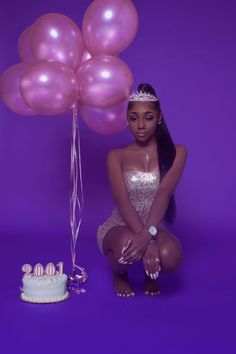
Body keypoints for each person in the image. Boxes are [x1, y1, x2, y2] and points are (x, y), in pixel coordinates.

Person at [96, 83, 187, 297]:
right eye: (134, 118)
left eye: (148, 117)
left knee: (171, 255)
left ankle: (150, 273)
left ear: (159, 118)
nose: (141, 125)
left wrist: (149, 236)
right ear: (127, 120)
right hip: (121, 223)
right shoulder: (116, 156)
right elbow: (122, 201)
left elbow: (163, 194)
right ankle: (119, 273)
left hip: (155, 224)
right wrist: (146, 241)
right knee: (126, 248)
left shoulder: (178, 153)